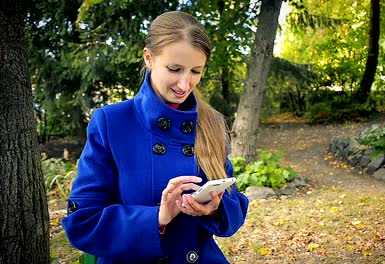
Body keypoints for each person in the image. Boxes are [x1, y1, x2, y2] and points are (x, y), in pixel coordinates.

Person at [62, 11, 249, 264]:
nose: (185, 84)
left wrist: (214, 208)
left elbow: (235, 212)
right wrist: (157, 218)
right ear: (149, 58)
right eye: (174, 69)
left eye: (196, 71)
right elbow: (82, 222)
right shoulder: (111, 122)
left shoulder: (212, 122)